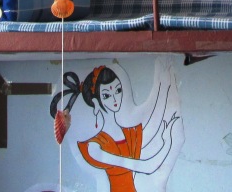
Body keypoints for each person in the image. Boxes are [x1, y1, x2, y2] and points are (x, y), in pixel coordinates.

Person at [51, 65, 180, 192]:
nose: (115, 99)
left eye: (118, 91)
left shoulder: (129, 132)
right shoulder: (94, 146)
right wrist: (168, 140)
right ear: (96, 102)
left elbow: (153, 125)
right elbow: (147, 166)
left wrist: (163, 86)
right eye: (106, 95)